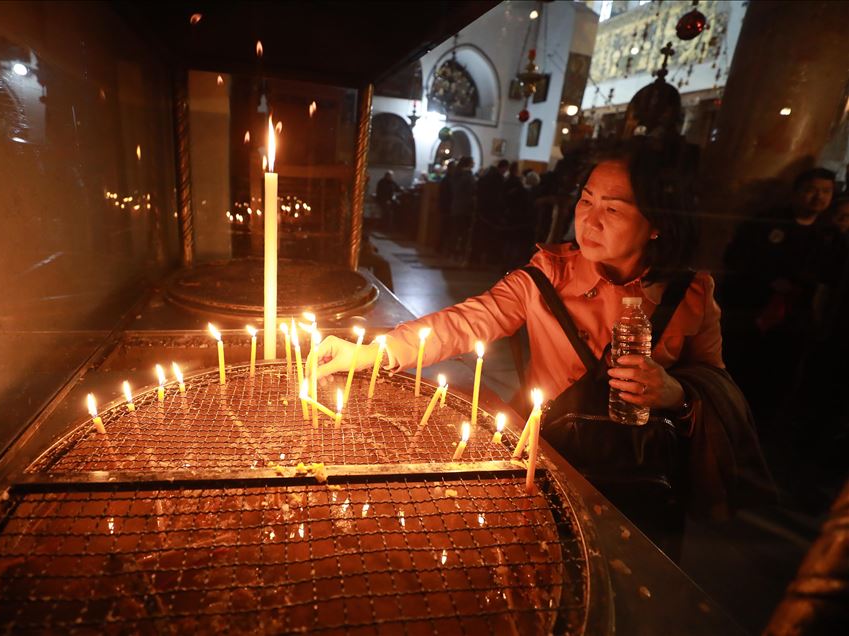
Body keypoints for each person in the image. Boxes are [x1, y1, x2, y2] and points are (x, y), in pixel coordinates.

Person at [311, 138, 774, 558]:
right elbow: (470, 319)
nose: (589, 219)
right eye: (586, 200)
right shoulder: (548, 275)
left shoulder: (691, 295)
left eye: (612, 209)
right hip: (546, 456)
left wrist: (674, 393)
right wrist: (374, 352)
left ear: (658, 223)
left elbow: (716, 388)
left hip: (640, 478)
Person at [721, 168, 847, 424]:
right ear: (797, 191)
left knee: (779, 373)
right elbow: (737, 257)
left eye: (825, 192)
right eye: (812, 190)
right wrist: (768, 279)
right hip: (752, 309)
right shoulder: (769, 221)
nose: (818, 197)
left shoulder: (829, 234)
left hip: (795, 319)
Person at [448, 156, 476, 261]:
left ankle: (452, 252)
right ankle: (459, 253)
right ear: (469, 163)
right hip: (465, 208)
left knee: (455, 232)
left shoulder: (456, 174)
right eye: (472, 162)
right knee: (463, 233)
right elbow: (472, 190)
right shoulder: (468, 176)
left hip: (455, 207)